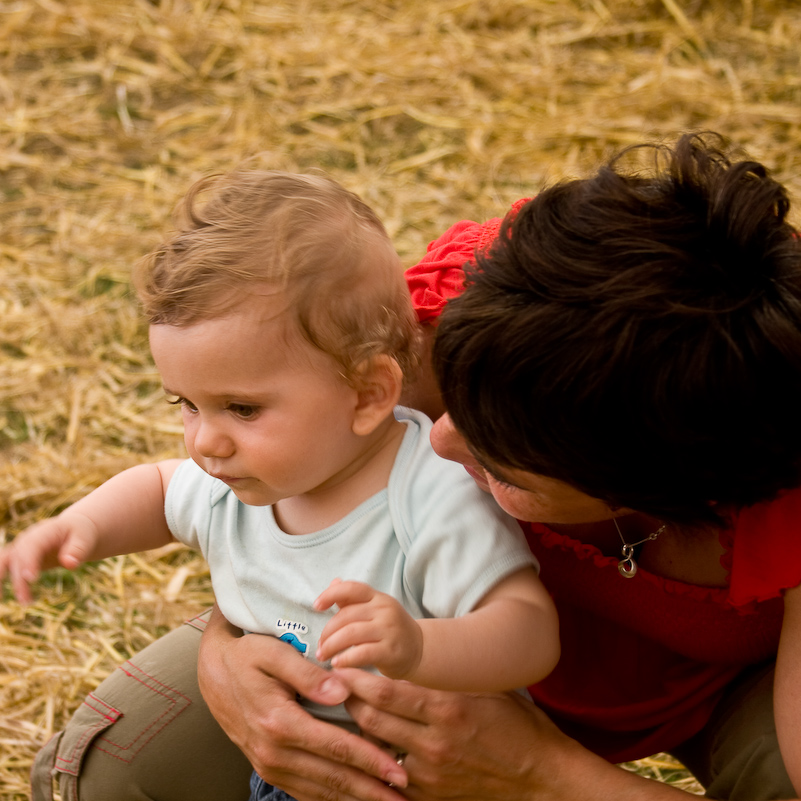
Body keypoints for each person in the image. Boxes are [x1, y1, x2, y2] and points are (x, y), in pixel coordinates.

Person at [24, 132, 801, 801]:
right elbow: (256, 491)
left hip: (693, 691)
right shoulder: (449, 326)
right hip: (394, 639)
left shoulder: (775, 488)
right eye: (457, 398)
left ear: (639, 480)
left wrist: (538, 773)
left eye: (502, 459)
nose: (439, 442)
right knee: (107, 771)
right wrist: (231, 653)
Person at [3, 170, 561, 800]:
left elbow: (528, 633)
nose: (204, 441)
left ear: (368, 393)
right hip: (294, 770)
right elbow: (159, 492)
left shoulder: (429, 495)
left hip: (431, 778)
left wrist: (419, 644)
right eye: (186, 404)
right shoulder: (240, 479)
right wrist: (81, 526)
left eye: (241, 408)